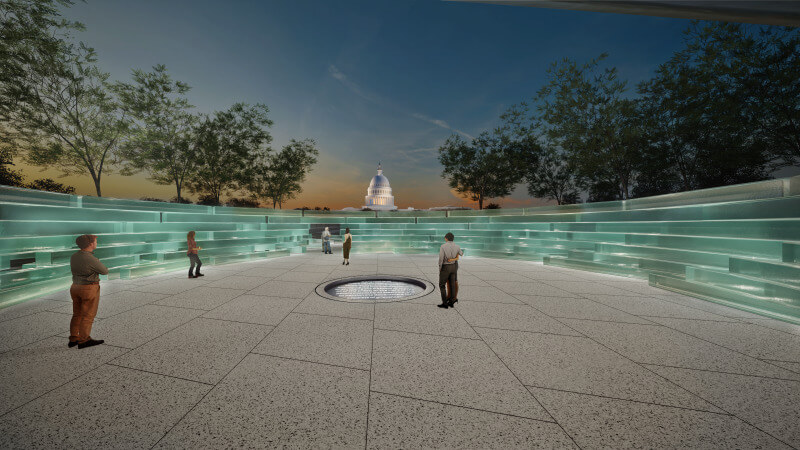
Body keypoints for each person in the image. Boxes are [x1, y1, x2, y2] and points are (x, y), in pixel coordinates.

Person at [68, 234, 108, 349]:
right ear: (90, 244)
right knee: (88, 315)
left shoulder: (74, 256)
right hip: (88, 288)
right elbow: (104, 271)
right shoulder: (90, 258)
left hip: (75, 287)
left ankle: (74, 338)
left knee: (77, 314)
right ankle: (84, 340)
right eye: (95, 241)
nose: (96, 243)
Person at [437, 232, 462, 309]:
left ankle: (445, 303)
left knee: (442, 285)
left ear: (446, 238)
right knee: (452, 284)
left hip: (446, 267)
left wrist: (440, 268)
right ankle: (451, 302)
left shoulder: (443, 246)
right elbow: (461, 253)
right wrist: (454, 258)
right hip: (453, 267)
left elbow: (441, 258)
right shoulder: (457, 246)